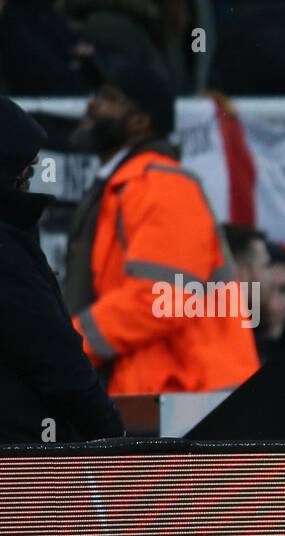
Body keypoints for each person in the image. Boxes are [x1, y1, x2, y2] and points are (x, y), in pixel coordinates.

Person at [62, 58, 259, 395]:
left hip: (189, 400)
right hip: (164, 399)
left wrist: (66, 350)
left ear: (140, 122)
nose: (93, 104)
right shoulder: (124, 186)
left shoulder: (163, 184)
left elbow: (160, 299)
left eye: (109, 98)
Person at [0, 96, 123, 443]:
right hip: (26, 467)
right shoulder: (8, 255)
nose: (33, 174)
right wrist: (115, 439)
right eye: (26, 168)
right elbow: (56, 361)